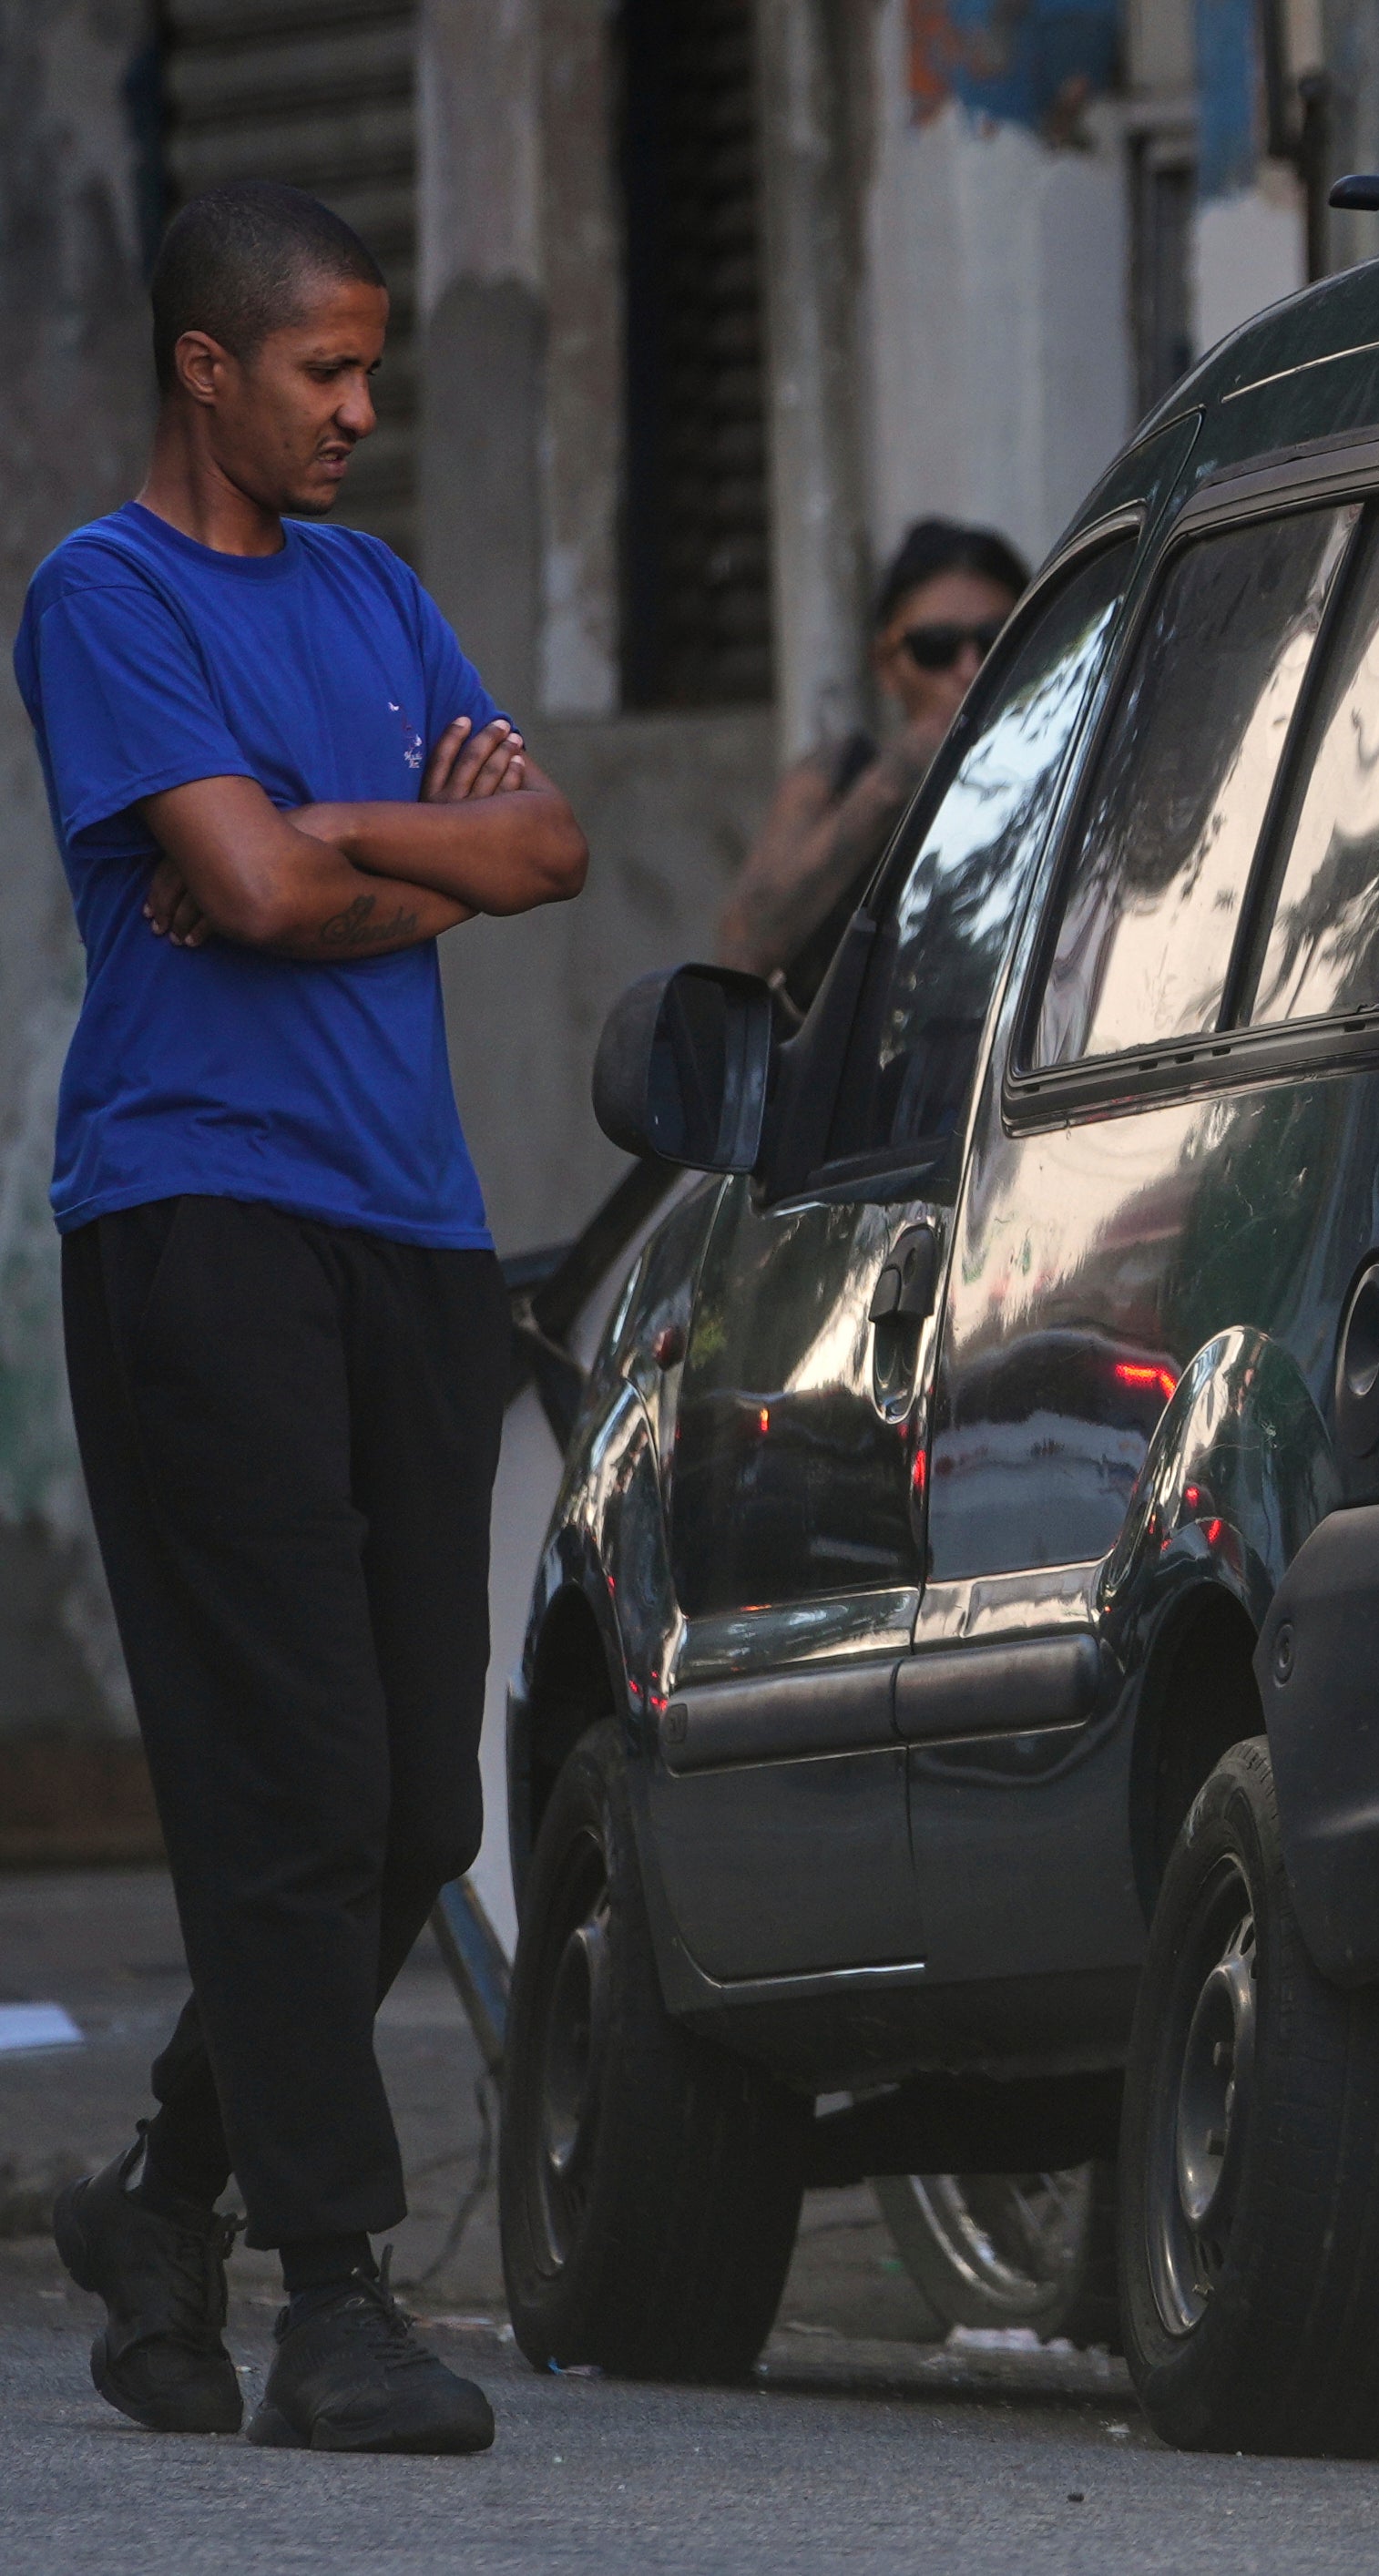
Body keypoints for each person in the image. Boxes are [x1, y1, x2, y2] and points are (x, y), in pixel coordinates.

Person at [17, 179, 587, 2455]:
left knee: (413, 1807)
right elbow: (233, 893)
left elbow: (534, 850)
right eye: (325, 372)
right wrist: (373, 862)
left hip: (410, 1230)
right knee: (293, 1776)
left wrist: (325, 844)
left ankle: (159, 2191)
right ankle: (332, 2291)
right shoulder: (105, 595)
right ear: (207, 371)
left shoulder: (372, 591)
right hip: (201, 1226)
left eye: (372, 370)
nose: (360, 409)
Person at [711, 517, 1027, 1005]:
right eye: (935, 649)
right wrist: (895, 782)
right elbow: (745, 947)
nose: (970, 669)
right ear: (886, 666)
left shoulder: (1071, 765)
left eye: (997, 641)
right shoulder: (839, 775)